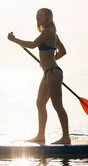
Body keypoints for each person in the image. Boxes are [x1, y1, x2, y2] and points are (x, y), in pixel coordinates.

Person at [7, 8, 71, 144]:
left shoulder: (48, 31)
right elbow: (63, 51)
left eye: (40, 15)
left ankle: (66, 137)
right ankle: (40, 136)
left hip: (53, 72)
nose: (37, 18)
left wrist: (14, 40)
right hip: (49, 72)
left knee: (57, 105)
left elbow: (32, 45)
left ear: (47, 17)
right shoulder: (53, 33)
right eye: (36, 16)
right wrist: (49, 60)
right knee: (40, 103)